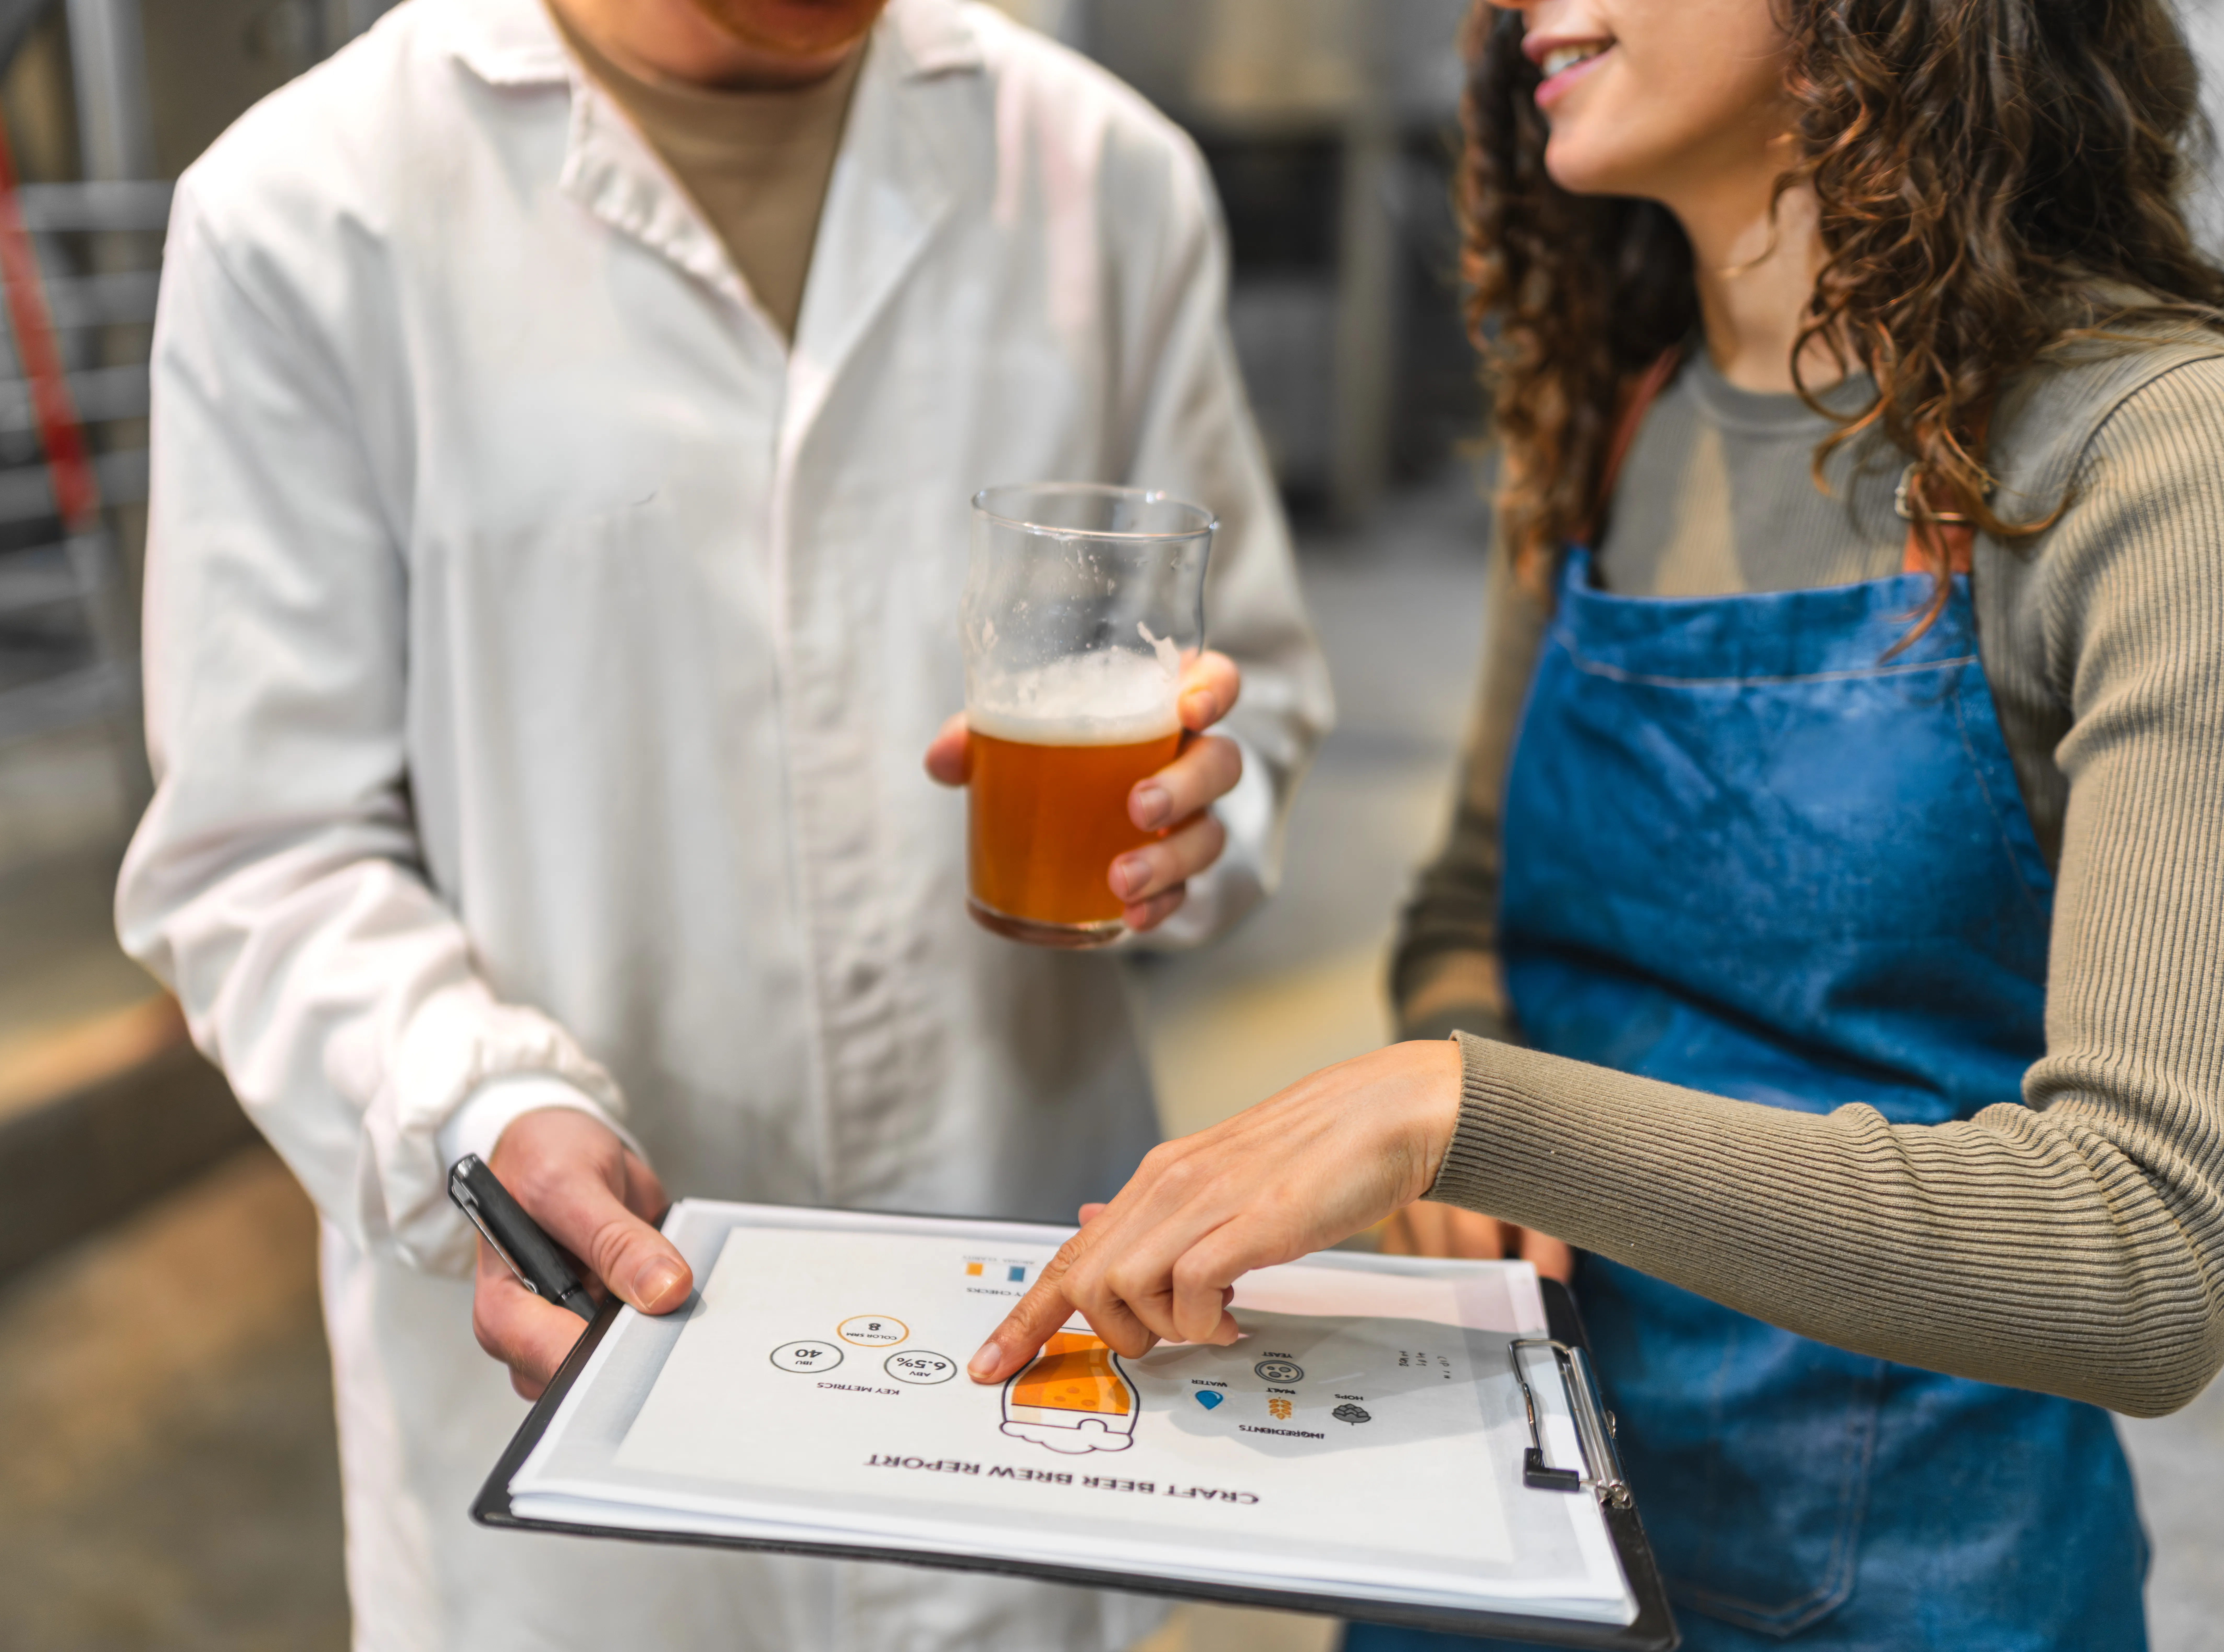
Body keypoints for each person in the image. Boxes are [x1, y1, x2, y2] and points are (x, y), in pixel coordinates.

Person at [968, 0, 2224, 1647]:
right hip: (1482, 1525)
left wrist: (1460, 1110)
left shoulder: (2151, 455)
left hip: (1917, 1575)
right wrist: (1455, 1062)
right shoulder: (1605, 418)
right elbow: (1468, 906)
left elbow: (2141, 1252)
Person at [114, 0, 1332, 1646]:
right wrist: (476, 1099)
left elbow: (1243, 685)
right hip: (590, 1425)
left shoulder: (1103, 174)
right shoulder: (314, 207)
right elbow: (261, 849)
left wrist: (1203, 814)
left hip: (1021, 1311)